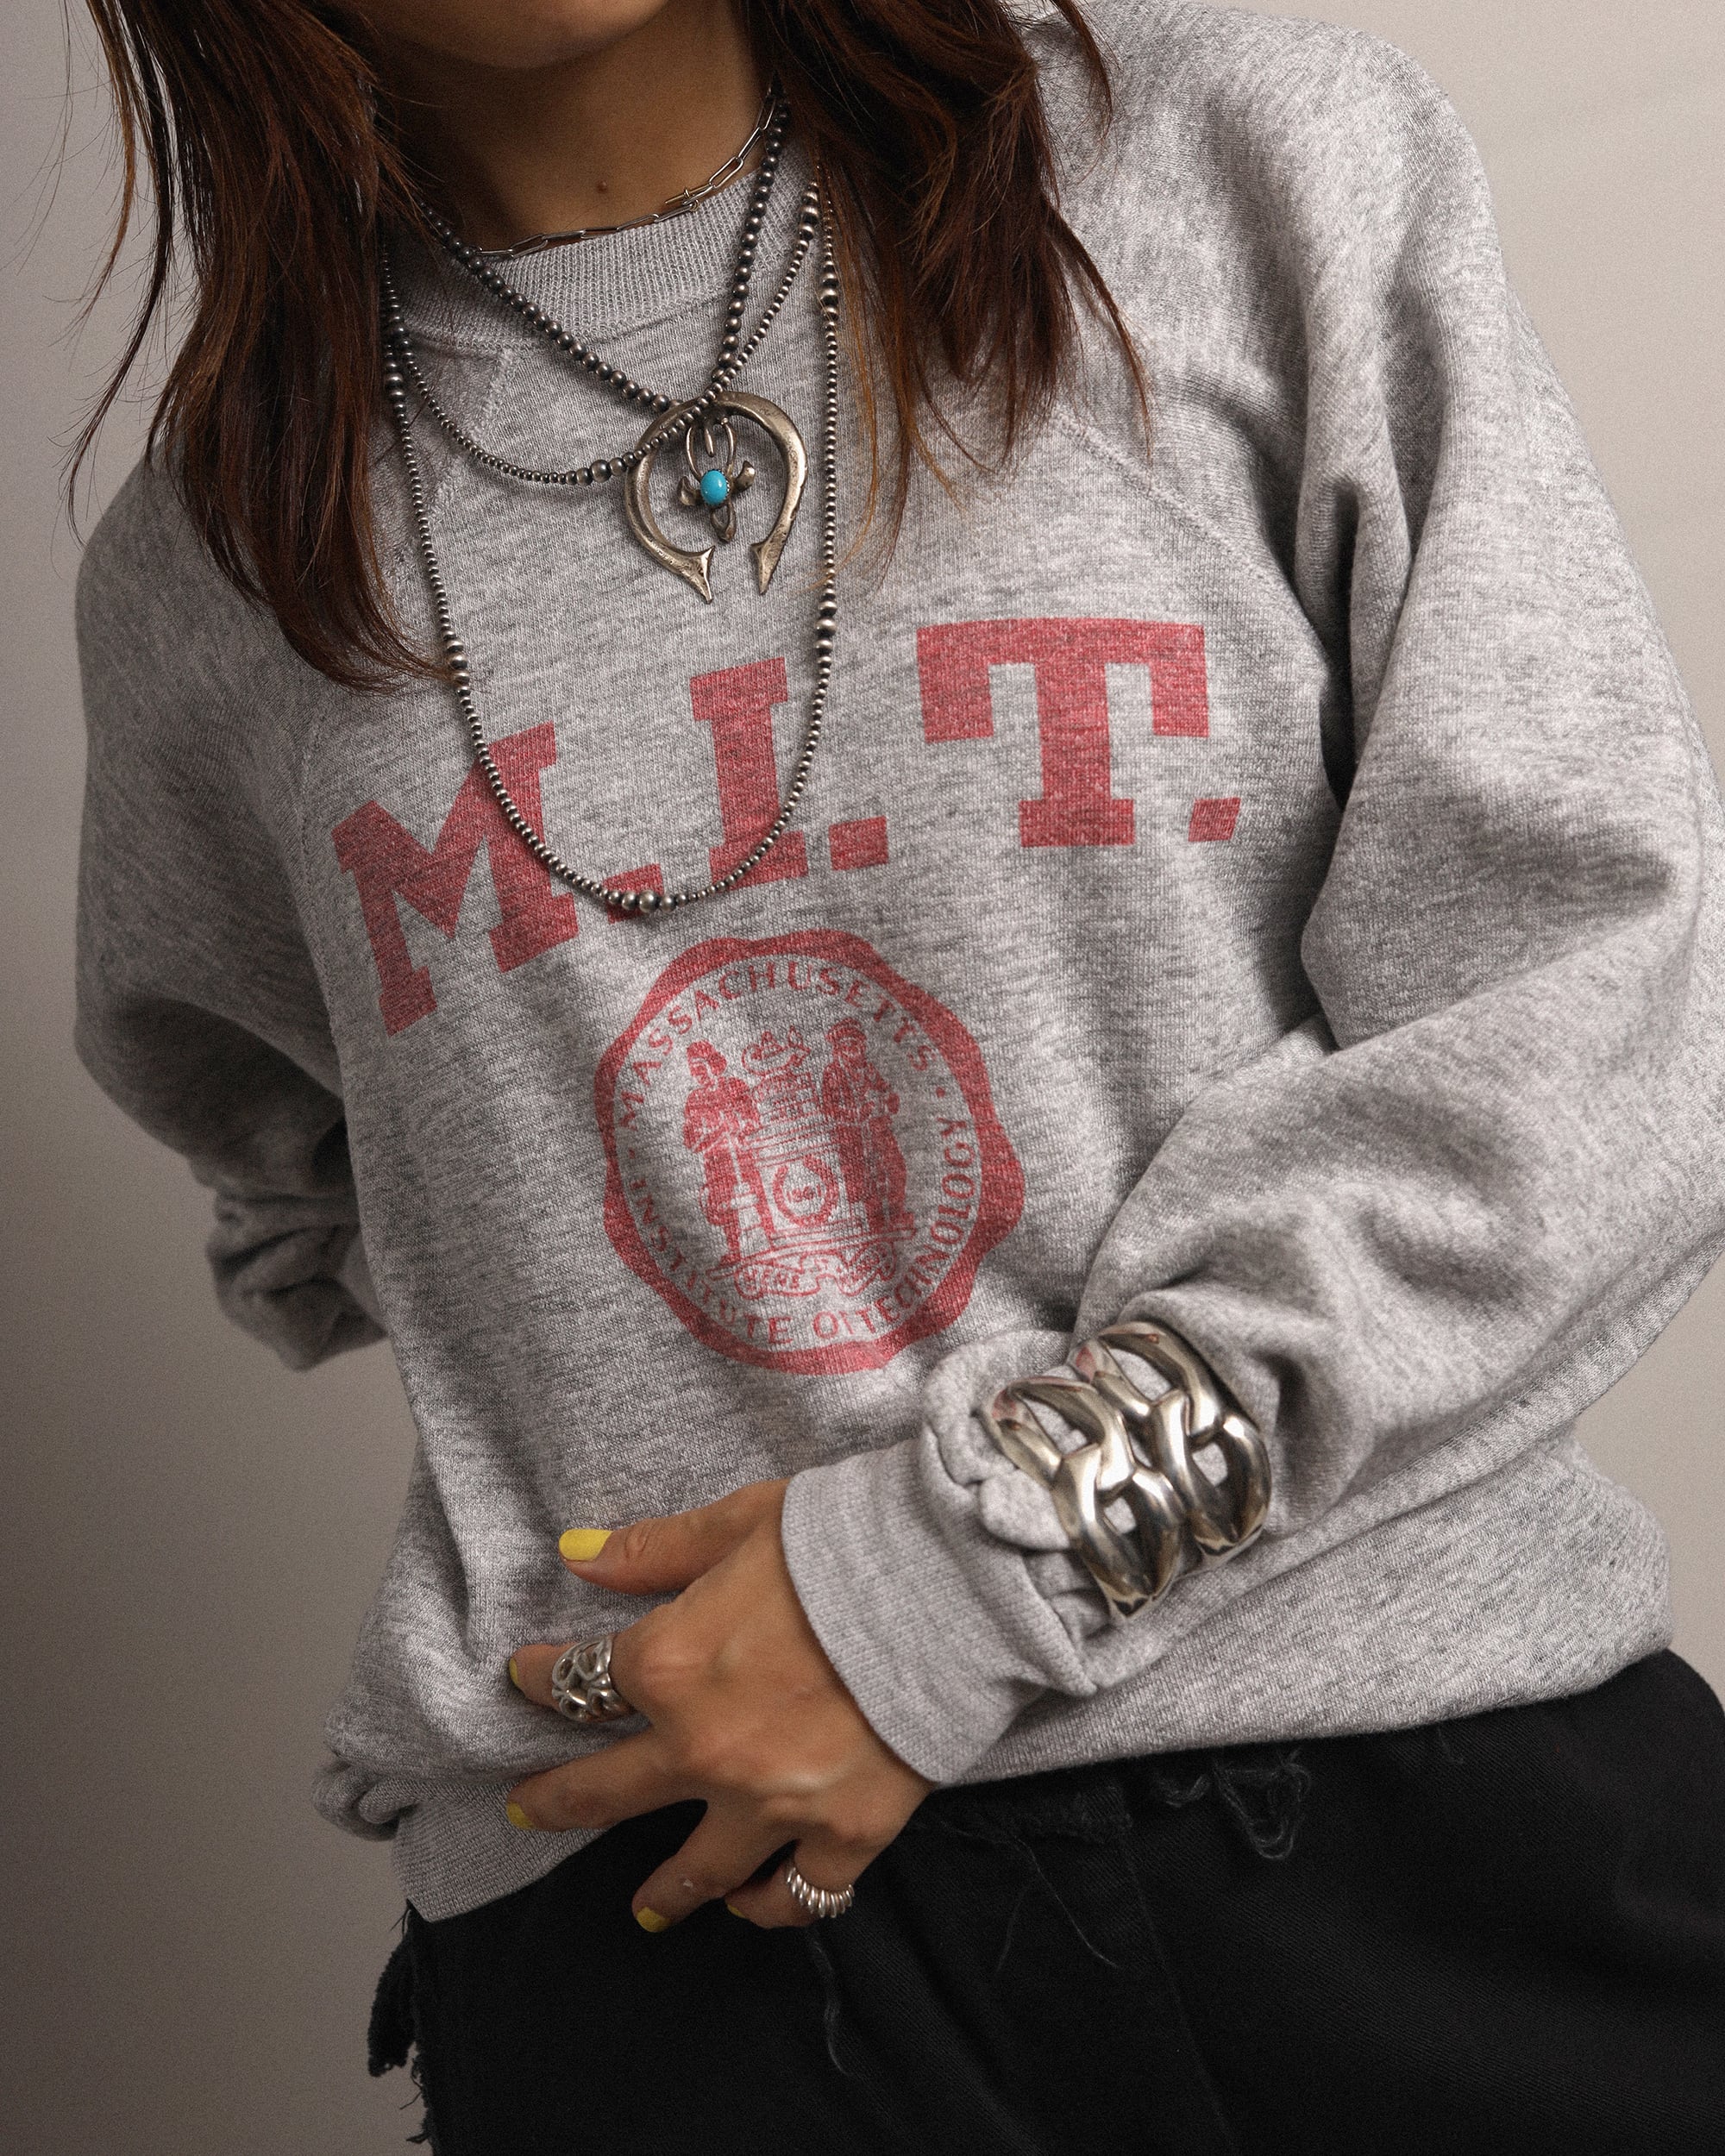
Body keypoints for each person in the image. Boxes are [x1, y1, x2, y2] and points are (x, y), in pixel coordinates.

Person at [70, 0, 1725, 2147]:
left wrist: (957, 1564)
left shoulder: (1231, 169)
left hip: (1411, 1828)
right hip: (693, 1941)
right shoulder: (215, 553)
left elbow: (1588, 1003)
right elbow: (306, 1165)